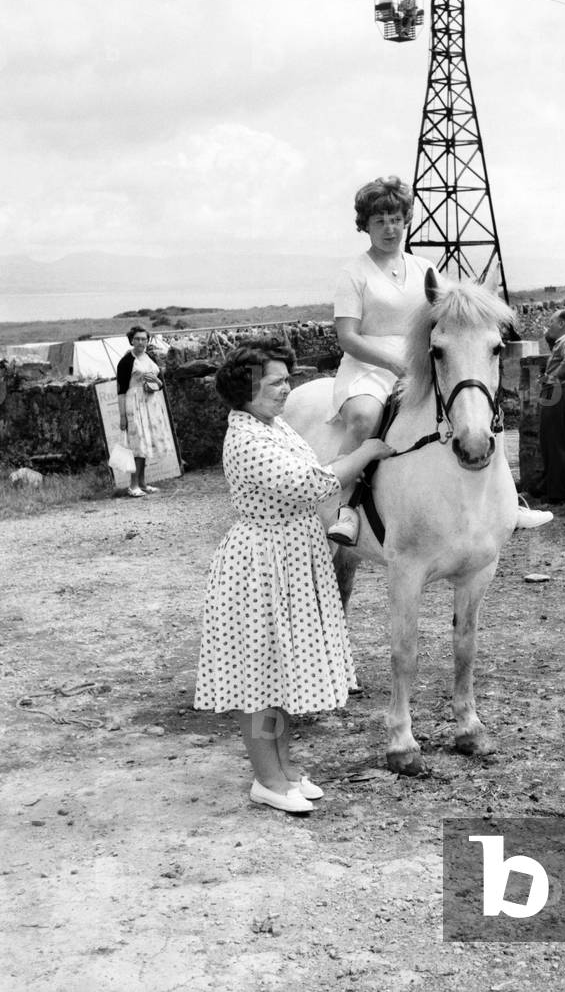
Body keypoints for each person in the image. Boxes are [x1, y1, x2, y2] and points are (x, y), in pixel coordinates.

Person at [194, 339, 393, 814]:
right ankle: (266, 777)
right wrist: (367, 451)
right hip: (262, 564)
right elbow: (315, 482)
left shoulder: (273, 425)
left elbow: (310, 470)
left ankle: (283, 769)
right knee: (258, 679)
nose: (287, 389)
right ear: (247, 389)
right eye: (276, 382)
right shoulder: (247, 438)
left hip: (289, 557)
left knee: (278, 674)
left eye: (287, 380)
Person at [326, 175, 552, 546]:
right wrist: (394, 364)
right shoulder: (354, 275)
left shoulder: (423, 270)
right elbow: (347, 337)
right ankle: (345, 507)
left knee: (473, 406)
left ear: (406, 219)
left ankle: (509, 499)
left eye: (396, 219)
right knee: (366, 417)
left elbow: (451, 320)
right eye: (379, 220)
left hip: (422, 360)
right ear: (364, 224)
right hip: (369, 366)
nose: (389, 228)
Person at [530, 309, 565, 504]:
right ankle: (549, 488)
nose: (549, 326)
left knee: (555, 446)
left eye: (552, 322)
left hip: (561, 393)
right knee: (553, 444)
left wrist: (553, 378)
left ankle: (556, 495)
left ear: (562, 324)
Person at [116, 325, 165, 497]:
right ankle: (133, 484)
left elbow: (158, 378)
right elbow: (121, 390)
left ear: (147, 341)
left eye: (143, 339)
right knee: (137, 445)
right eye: (137, 339)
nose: (140, 342)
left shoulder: (148, 357)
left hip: (149, 403)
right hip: (134, 403)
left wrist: (155, 385)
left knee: (145, 443)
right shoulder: (126, 361)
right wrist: (122, 416)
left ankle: (143, 483)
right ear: (131, 340)